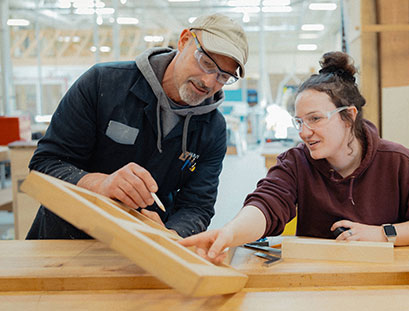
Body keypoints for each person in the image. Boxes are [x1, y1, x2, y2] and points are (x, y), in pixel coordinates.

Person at [180, 51, 409, 263]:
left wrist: (384, 233)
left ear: (348, 117)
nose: (304, 132)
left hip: (388, 283)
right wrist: (229, 234)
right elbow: (267, 204)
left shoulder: (402, 164)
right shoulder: (296, 162)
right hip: (316, 280)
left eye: (315, 119)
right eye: (299, 121)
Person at [26, 13, 249, 239]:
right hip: (64, 243)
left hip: (142, 251)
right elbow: (45, 164)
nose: (209, 82)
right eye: (206, 62)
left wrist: (170, 235)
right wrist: (100, 184)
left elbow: (197, 206)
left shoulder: (213, 129)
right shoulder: (102, 83)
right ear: (183, 41)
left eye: (223, 76)